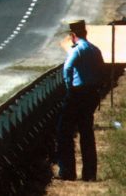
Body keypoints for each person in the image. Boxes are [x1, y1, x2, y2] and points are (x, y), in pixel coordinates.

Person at [56, 19, 105, 181]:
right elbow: (102, 70)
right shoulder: (95, 50)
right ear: (85, 33)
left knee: (65, 132)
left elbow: (68, 67)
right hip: (92, 94)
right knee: (87, 133)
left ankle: (68, 171)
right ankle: (89, 174)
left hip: (77, 94)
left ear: (73, 35)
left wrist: (69, 86)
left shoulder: (77, 50)